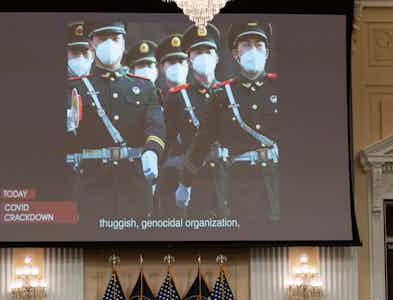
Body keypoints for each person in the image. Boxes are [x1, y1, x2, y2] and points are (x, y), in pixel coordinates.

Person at [65, 21, 166, 221]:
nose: (109, 44)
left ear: (123, 42)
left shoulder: (145, 87)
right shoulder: (73, 88)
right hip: (93, 185)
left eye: (115, 38)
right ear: (91, 43)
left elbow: (155, 124)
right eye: (103, 38)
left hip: (135, 184)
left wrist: (152, 151)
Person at [182, 22, 281, 222]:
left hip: (280, 179)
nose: (253, 50)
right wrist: (186, 181)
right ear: (235, 53)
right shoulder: (223, 95)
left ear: (267, 52)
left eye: (258, 44)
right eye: (246, 45)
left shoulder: (279, 87)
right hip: (242, 186)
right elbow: (203, 140)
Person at [159, 24, 221, 216]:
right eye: (198, 52)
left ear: (217, 58)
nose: (204, 57)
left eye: (208, 51)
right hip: (195, 179)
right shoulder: (178, 98)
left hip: (230, 176)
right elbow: (166, 141)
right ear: (190, 60)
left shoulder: (229, 92)